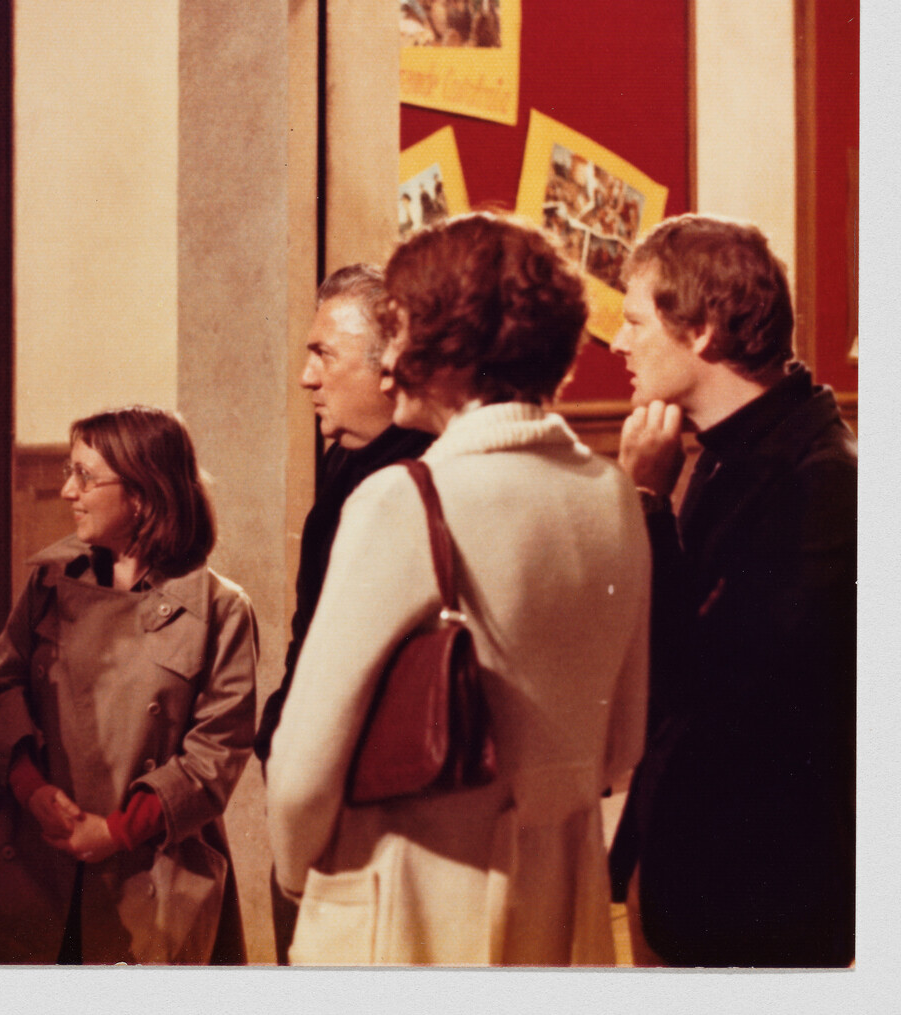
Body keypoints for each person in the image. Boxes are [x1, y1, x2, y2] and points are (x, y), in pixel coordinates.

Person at [267, 213, 650, 964]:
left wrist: (295, 875)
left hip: (410, 906)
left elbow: (301, 772)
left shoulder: (405, 499)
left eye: (403, 330)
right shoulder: (612, 493)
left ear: (449, 350)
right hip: (558, 907)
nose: (391, 359)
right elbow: (621, 744)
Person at [606, 215, 856, 967]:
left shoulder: (822, 479)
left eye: (633, 320)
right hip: (694, 866)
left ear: (705, 330)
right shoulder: (727, 448)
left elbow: (713, 681)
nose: (617, 343)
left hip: (757, 892)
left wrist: (646, 503)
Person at [0, 406, 257, 964]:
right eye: (69, 472)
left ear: (143, 493)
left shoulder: (221, 610)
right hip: (38, 856)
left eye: (86, 476)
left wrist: (117, 831)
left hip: (150, 872)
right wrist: (32, 790)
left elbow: (217, 750)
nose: (68, 491)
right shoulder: (48, 583)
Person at [253, 264, 432, 963]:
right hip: (320, 791)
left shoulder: (414, 477)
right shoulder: (347, 459)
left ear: (389, 365)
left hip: (370, 817)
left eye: (323, 353)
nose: (305, 376)